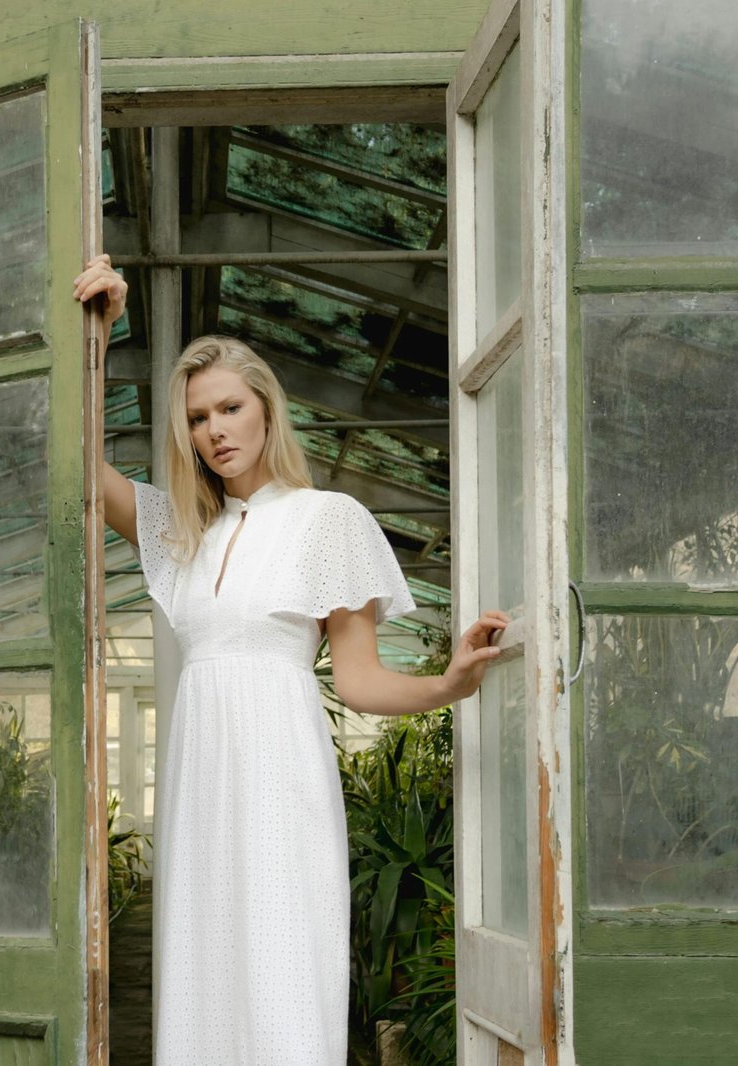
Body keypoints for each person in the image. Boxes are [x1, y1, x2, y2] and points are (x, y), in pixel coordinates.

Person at [73, 254, 507, 1064]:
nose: (215, 432)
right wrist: (101, 335)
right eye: (199, 418)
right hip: (201, 792)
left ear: (267, 409)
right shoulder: (180, 533)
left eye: (230, 408)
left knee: (283, 979)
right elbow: (83, 465)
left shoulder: (327, 519)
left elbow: (359, 679)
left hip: (282, 785)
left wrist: (448, 683)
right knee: (201, 981)